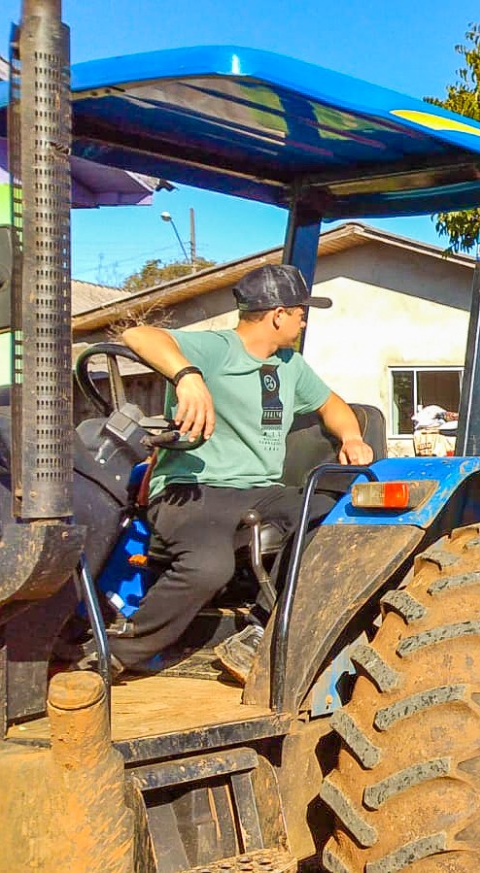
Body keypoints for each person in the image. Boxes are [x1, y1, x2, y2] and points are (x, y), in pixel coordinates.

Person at [109, 264, 375, 683]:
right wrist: (187, 376)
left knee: (333, 517)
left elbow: (331, 405)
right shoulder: (217, 349)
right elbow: (137, 335)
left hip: (260, 491)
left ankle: (261, 630)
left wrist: (351, 437)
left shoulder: (290, 365)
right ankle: (116, 653)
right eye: (300, 310)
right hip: (193, 489)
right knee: (209, 566)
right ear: (277, 314)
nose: (304, 318)